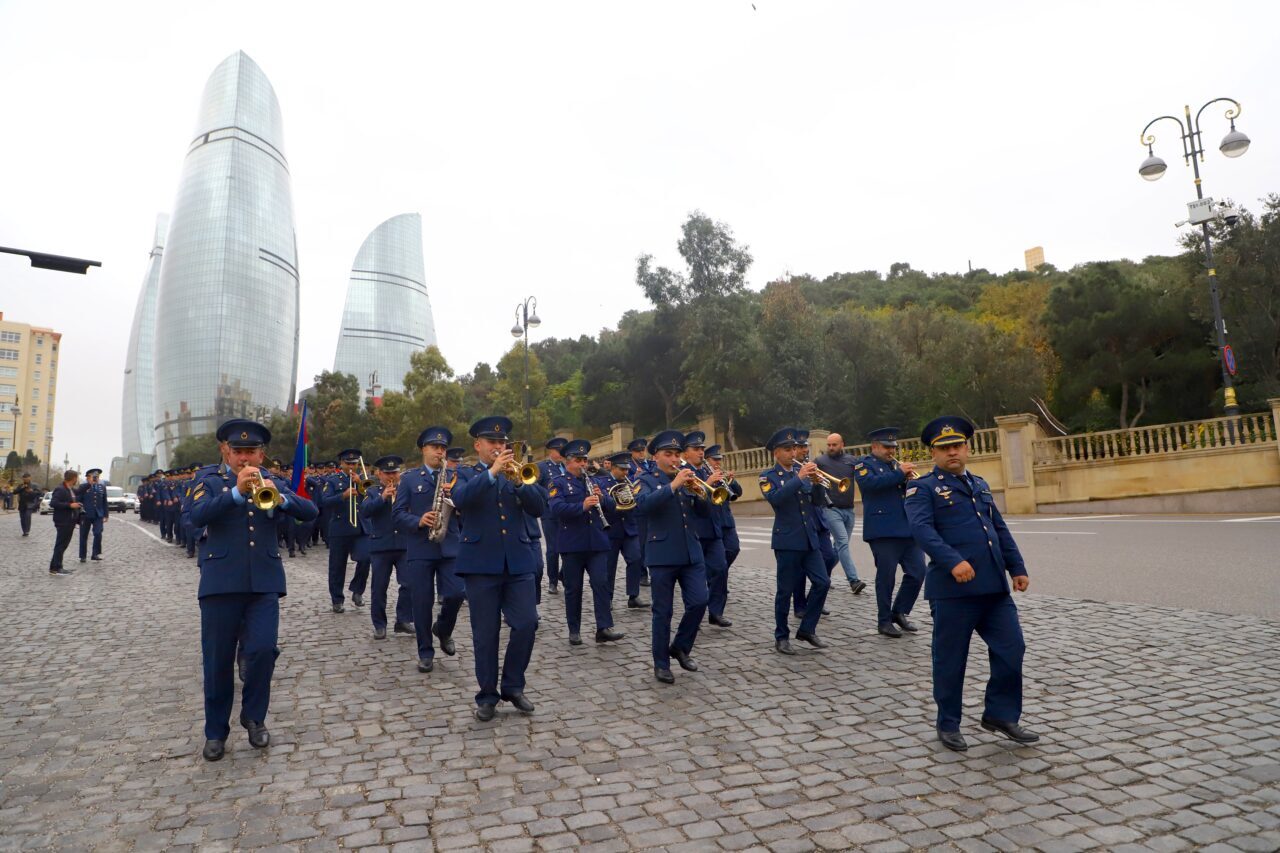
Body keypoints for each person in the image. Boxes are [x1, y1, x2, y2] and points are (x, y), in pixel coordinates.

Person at [905, 416, 1038, 752]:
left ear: (967, 448)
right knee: (951, 659)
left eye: (957, 446)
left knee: (1012, 649)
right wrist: (953, 561)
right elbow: (922, 531)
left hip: (993, 588)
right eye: (944, 448)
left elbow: (999, 529)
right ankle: (948, 723)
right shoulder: (921, 489)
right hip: (952, 593)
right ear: (933, 453)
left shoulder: (978, 484)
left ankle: (1000, 714)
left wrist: (1016, 566)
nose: (952, 452)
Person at [191, 419, 317, 761]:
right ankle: (216, 731)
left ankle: (254, 716)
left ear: (262, 454)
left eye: (252, 452)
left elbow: (310, 511)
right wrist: (234, 493)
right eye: (238, 451)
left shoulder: (271, 481)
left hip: (264, 582)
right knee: (217, 660)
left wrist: (282, 500)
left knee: (262, 651)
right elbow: (195, 516)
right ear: (225, 451)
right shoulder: (209, 480)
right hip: (220, 583)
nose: (245, 458)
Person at [450, 416, 546, 720]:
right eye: (492, 442)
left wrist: (520, 482)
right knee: (486, 633)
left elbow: (539, 507)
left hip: (518, 562)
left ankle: (513, 685)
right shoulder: (465, 473)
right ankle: (487, 695)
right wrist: (491, 472)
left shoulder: (518, 473)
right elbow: (461, 500)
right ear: (478, 445)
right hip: (480, 564)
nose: (499, 447)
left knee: (527, 622)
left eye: (503, 443)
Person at [634, 430, 709, 684]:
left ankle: (680, 646)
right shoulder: (645, 479)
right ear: (656, 457)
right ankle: (661, 664)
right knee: (662, 612)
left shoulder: (689, 478)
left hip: (691, 551)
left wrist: (706, 492)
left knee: (700, 601)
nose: (674, 458)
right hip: (662, 554)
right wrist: (674, 485)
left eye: (677, 454)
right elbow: (642, 506)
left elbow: (703, 512)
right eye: (669, 454)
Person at [394, 427, 466, 673]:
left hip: (450, 546)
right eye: (435, 447)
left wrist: (456, 498)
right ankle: (425, 651)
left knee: (457, 593)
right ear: (424, 449)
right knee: (422, 603)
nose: (439, 451)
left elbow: (469, 509)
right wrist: (418, 521)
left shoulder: (455, 476)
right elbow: (398, 515)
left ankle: (443, 629)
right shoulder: (409, 479)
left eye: (443, 448)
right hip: (421, 547)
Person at [760, 428, 830, 655]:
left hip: (809, 539)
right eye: (787, 450)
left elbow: (818, 502)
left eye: (794, 449)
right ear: (776, 453)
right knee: (785, 591)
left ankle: (807, 629)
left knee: (822, 582)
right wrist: (800, 479)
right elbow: (777, 500)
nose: (793, 453)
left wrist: (818, 482)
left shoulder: (802, 472)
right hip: (787, 540)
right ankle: (781, 636)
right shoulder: (768, 476)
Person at [549, 439, 624, 646]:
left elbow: (612, 507)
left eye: (585, 460)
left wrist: (602, 500)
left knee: (601, 583)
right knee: (573, 588)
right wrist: (581, 506)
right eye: (579, 460)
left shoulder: (596, 481)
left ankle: (603, 628)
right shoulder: (558, 482)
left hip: (597, 542)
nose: (583, 464)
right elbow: (556, 509)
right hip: (572, 544)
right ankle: (574, 629)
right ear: (568, 462)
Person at [853, 427, 927, 638]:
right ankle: (884, 621)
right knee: (886, 577)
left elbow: (904, 491)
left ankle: (899, 611)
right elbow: (871, 485)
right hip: (883, 531)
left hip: (907, 528)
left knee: (918, 572)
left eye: (893, 447)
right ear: (874, 446)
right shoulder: (864, 465)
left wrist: (911, 482)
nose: (891, 451)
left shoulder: (895, 466)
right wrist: (899, 474)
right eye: (887, 447)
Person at [361, 455, 414, 641]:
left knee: (408, 583)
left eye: (395, 472)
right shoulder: (373, 491)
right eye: (387, 473)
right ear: (379, 474)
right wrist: (383, 498)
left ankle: (403, 619)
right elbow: (365, 511)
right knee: (379, 587)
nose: (392, 476)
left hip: (403, 544)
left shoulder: (406, 489)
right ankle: (379, 625)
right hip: (381, 545)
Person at [815, 432, 867, 594]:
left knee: (838, 548)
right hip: (831, 509)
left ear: (842, 444)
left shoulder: (852, 461)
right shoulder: (820, 461)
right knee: (843, 542)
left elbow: (864, 479)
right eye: (829, 445)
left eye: (834, 445)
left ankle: (823, 576)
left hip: (849, 510)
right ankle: (854, 580)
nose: (831, 448)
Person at [321, 449, 372, 612]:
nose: (351, 466)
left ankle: (357, 591)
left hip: (361, 527)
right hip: (340, 527)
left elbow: (373, 498)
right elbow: (324, 501)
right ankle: (337, 599)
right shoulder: (333, 480)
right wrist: (342, 495)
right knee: (337, 566)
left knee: (366, 558)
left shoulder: (363, 479)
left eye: (354, 463)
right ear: (341, 464)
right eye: (348, 463)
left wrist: (359, 483)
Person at [600, 452, 647, 610]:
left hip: (629, 528)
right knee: (609, 566)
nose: (626, 473)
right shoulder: (601, 482)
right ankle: (608, 598)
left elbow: (638, 505)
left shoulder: (631, 483)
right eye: (622, 469)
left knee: (635, 559)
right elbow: (604, 505)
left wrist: (636, 496)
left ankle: (633, 596)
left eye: (627, 469)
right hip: (611, 530)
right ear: (613, 468)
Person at [704, 445, 742, 626]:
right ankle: (716, 611)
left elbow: (738, 493)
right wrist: (711, 481)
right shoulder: (704, 475)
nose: (718, 463)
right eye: (714, 460)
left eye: (719, 460)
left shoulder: (721, 475)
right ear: (707, 460)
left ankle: (714, 576)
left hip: (726, 521)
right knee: (718, 568)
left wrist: (731, 481)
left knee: (733, 550)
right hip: (712, 523)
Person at [536, 437, 568, 595]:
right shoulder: (542, 467)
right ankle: (553, 581)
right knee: (553, 549)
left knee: (569, 546)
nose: (561, 454)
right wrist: (549, 496)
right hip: (550, 513)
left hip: (566, 512)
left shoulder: (566, 466)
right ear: (551, 451)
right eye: (558, 451)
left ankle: (563, 575)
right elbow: (533, 485)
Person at [48, 470, 81, 576]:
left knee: (63, 545)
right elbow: (53, 503)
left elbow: (80, 491)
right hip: (63, 521)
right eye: (77, 478)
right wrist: (70, 505)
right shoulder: (60, 489)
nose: (77, 480)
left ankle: (56, 566)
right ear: (73, 478)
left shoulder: (69, 489)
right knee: (60, 545)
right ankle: (56, 568)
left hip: (70, 520)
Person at [75, 468, 109, 563]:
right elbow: (78, 500)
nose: (95, 478)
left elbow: (104, 501)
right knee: (83, 535)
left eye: (97, 477)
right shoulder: (83, 486)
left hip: (98, 514)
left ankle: (95, 554)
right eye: (93, 477)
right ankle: (83, 556)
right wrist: (77, 515)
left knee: (98, 533)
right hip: (85, 514)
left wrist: (106, 514)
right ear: (88, 478)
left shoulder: (102, 487)